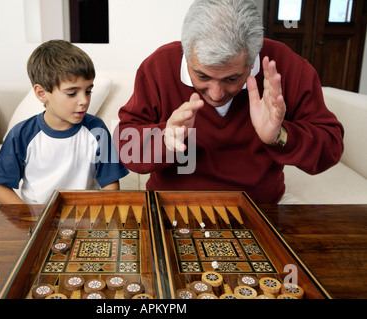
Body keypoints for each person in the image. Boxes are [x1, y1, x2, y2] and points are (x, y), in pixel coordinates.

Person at [115, 0, 344, 204]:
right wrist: (164, 138)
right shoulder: (158, 66)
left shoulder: (287, 67)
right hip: (172, 206)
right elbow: (125, 146)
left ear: (252, 59)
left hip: (262, 207)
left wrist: (280, 136)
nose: (216, 94)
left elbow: (331, 148)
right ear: (186, 54)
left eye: (231, 78)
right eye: (202, 76)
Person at [0, 40, 128, 204]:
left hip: (84, 216)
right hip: (37, 218)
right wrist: (30, 219)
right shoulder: (21, 134)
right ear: (42, 93)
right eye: (72, 93)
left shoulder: (97, 129)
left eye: (88, 91)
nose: (84, 100)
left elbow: (110, 184)